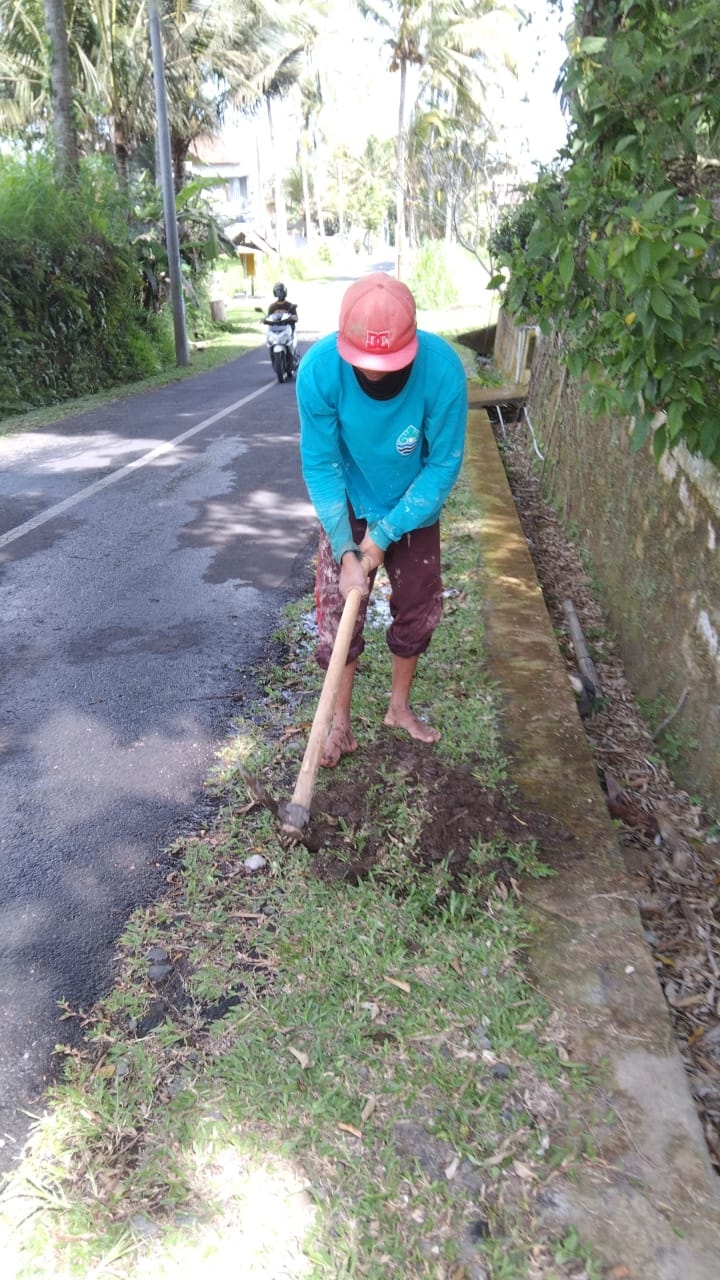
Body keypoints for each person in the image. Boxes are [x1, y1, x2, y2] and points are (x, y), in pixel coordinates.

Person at [296, 271, 467, 767]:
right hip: (348, 498)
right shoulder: (319, 372)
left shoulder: (442, 373)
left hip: (413, 500)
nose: (375, 374)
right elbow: (321, 465)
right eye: (364, 363)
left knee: (418, 605)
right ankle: (341, 727)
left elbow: (442, 466)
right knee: (336, 616)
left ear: (412, 343)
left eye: (387, 363)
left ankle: (398, 709)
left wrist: (386, 534)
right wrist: (348, 549)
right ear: (342, 343)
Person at [267, 281, 298, 365]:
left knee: (291, 342)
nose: (279, 294)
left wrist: (291, 318)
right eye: (277, 292)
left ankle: (293, 357)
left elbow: (296, 317)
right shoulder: (272, 307)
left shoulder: (290, 306)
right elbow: (269, 317)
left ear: (284, 292)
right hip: (276, 329)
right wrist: (265, 320)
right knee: (270, 342)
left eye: (281, 292)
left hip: (287, 329)